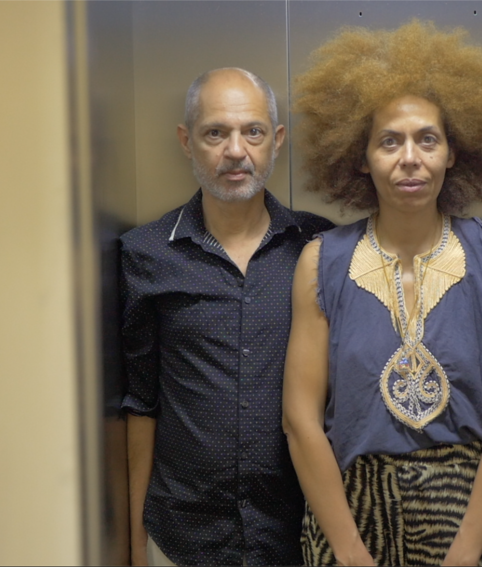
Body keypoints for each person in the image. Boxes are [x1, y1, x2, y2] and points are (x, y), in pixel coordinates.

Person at [282, 21, 482, 566]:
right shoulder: (319, 263)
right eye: (389, 141)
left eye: (428, 139)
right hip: (349, 515)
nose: (410, 158)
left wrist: (467, 553)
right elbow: (300, 422)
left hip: (474, 515)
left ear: (452, 153)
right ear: (360, 157)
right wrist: (350, 554)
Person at [120, 67, 333, 566]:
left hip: (297, 536)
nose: (235, 151)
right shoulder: (146, 254)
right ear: (187, 141)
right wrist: (133, 543)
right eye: (215, 133)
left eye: (252, 132)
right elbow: (141, 405)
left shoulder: (320, 248)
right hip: (182, 537)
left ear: (276, 140)